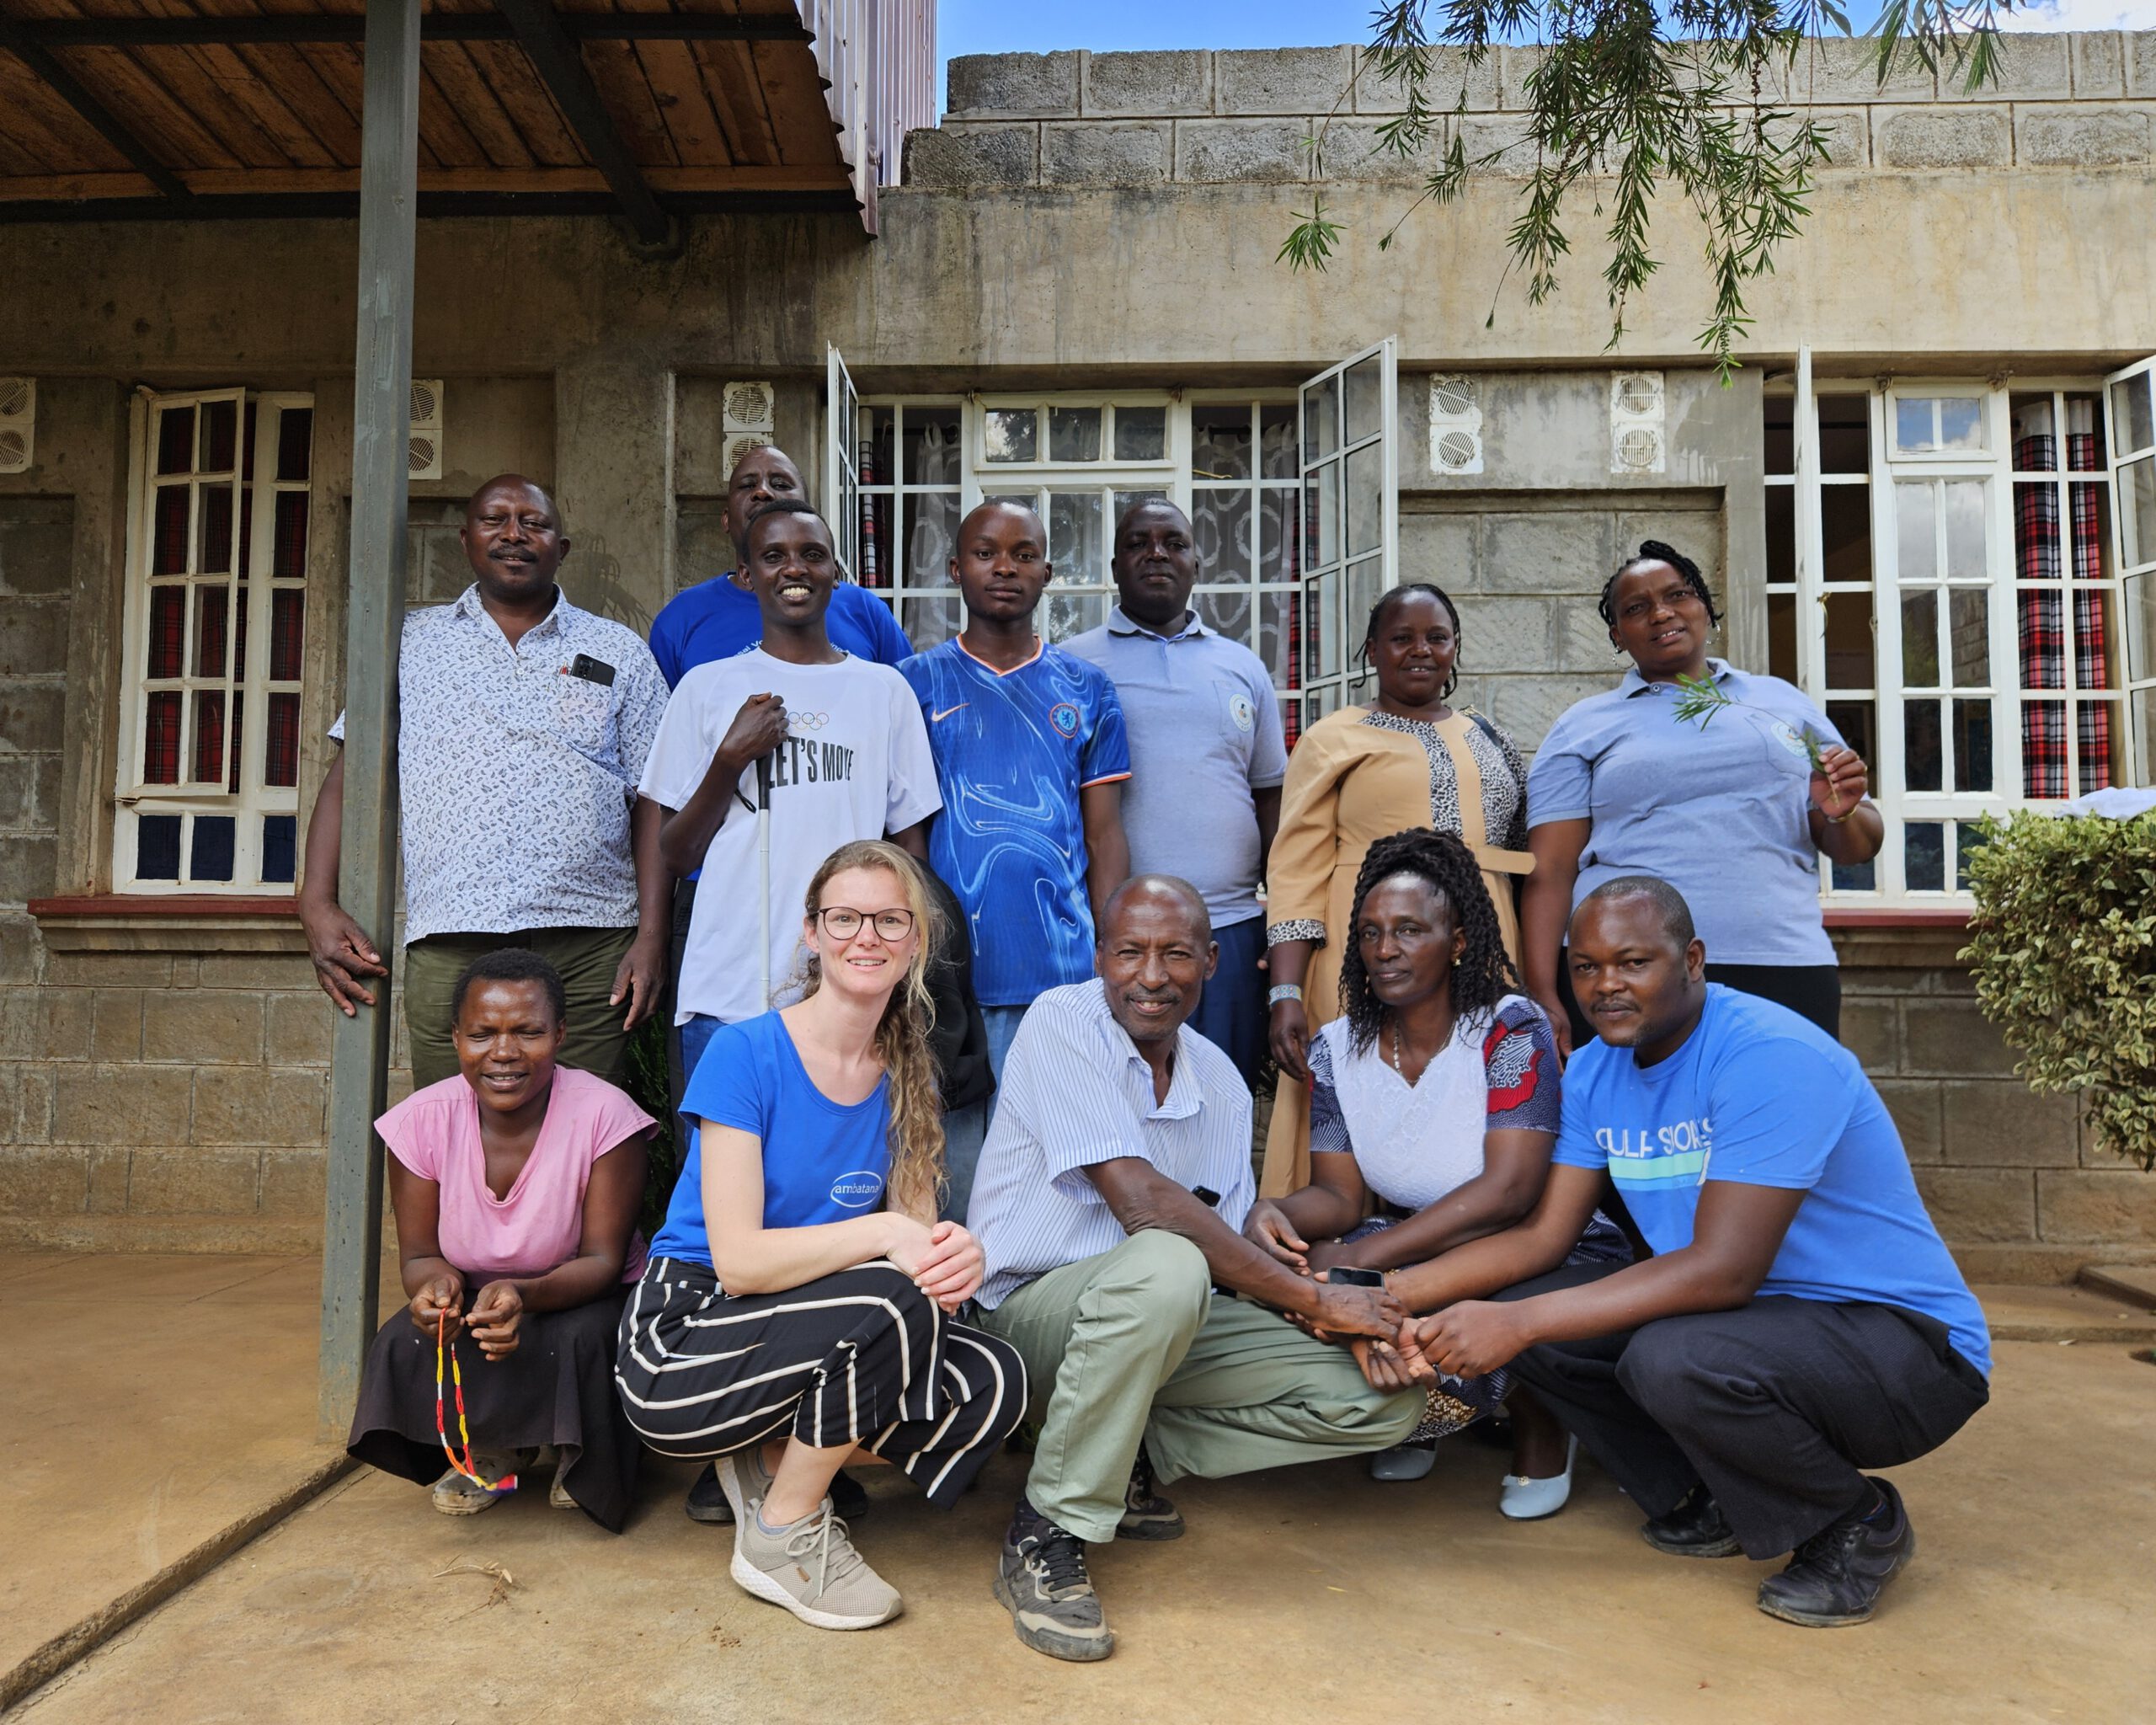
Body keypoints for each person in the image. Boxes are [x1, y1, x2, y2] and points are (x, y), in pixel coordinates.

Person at [1382, 877, 1990, 1629]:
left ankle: (1856, 1522)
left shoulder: (1769, 1056)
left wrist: (1521, 1325)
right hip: (1761, 1328)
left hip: (1904, 1348)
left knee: (1665, 1356)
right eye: (1585, 967)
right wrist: (1393, 1294)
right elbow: (1544, 1238)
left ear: (1692, 958)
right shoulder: (1601, 1070)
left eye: (1633, 962)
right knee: (1524, 1313)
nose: (1606, 986)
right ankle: (1723, 1494)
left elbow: (1723, 1270)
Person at [966, 875, 1422, 1664]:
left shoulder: (1216, 1075)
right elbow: (1146, 1204)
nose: (1151, 975)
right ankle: (1048, 1531)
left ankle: (1123, 1448)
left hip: (1159, 1321)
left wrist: (1322, 1320)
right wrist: (1314, 1296)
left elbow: (1227, 1246)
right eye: (1130, 952)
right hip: (1025, 1326)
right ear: (1099, 958)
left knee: (1380, 1404)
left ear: (1212, 962)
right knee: (1168, 1261)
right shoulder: (1060, 1024)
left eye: (1176, 953)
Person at [614, 841, 1026, 1632]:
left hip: (819, 1325)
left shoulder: (913, 1074)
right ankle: (781, 1530)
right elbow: (737, 1262)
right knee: (894, 1288)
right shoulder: (746, 1052)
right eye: (844, 918)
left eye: (889, 921)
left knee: (993, 1379)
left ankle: (769, 1457)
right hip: (687, 1344)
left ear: (916, 943)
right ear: (811, 932)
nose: (865, 937)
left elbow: (911, 1243)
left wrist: (952, 1253)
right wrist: (893, 1238)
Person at [1241, 830, 1629, 1502]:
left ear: (1457, 941)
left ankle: (1542, 1428)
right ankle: (1421, 1422)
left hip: (1537, 1244)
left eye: (1409, 930)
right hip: (1418, 1236)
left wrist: (1371, 1270)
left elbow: (1510, 1192)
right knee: (1297, 1270)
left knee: (1393, 1289)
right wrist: (1274, 1214)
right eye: (1369, 932)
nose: (1384, 950)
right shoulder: (1337, 1050)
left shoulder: (1511, 1028)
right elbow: (1338, 1195)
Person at [298, 474, 671, 1090]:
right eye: (496, 519)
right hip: (453, 937)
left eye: (534, 522)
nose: (515, 534)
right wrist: (315, 900)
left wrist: (652, 936)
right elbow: (353, 775)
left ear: (562, 547)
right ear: (466, 539)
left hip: (593, 941)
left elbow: (655, 798)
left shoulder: (618, 650)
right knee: (453, 1133)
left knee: (590, 1134)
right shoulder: (408, 644)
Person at [1521, 540, 1881, 1056]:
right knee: (1636, 1135)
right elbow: (1551, 871)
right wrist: (1542, 992)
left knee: (1779, 1126)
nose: (1662, 613)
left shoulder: (1781, 704)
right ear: (1617, 635)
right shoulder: (1583, 727)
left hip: (1781, 958)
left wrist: (1842, 813)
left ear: (1706, 608)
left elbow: (1855, 844)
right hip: (1629, 976)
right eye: (1637, 608)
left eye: (1678, 595)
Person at [347, 948, 653, 1530]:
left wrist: (521, 1293)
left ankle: (580, 1455)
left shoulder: (607, 1117)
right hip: (484, 1294)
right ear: (457, 1038)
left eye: (529, 1032)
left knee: (582, 1337)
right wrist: (435, 1290)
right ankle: (494, 1451)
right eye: (484, 1034)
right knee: (412, 1337)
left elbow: (603, 1261)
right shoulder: (420, 1122)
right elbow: (418, 1255)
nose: (505, 1053)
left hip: (584, 1295)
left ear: (560, 1034)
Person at [647, 444, 914, 1106]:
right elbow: (676, 852)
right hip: (728, 985)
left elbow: (912, 850)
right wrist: (730, 758)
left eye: (812, 555)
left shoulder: (883, 691)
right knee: (717, 1190)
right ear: (747, 571)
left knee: (837, 1186)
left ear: (834, 571)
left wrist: (903, 964)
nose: (794, 568)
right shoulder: (707, 689)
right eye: (773, 556)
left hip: (849, 984)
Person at [1262, 582, 1530, 1197]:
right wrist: (1285, 989)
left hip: (1481, 943)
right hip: (1365, 950)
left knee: (1472, 1084)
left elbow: (1522, 857)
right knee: (1353, 1087)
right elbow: (1295, 869)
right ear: (1372, 650)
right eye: (1401, 638)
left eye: (1436, 637)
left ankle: (1463, 1246)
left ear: (1455, 647)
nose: (1420, 650)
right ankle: (1321, 1249)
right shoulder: (1334, 737)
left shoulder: (1492, 737)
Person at [899, 499, 1132, 1203]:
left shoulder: (1087, 689)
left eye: (1023, 553)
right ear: (954, 569)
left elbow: (1105, 834)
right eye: (986, 552)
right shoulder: (912, 683)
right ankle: (956, 1309)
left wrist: (1109, 948)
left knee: (1047, 1176)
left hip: (1057, 974)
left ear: (1048, 572)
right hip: (947, 978)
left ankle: (1030, 1306)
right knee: (954, 1174)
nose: (1005, 566)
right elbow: (903, 838)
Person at [1065, 499, 1286, 1087]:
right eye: (1139, 542)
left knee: (1223, 1095)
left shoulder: (1241, 666)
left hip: (1230, 927)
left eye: (1174, 543)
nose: (1157, 553)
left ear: (1196, 563)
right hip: (1120, 935)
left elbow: (1270, 797)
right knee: (1125, 1100)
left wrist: (1284, 918)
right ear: (1116, 563)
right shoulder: (1072, 665)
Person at [648, 443, 913, 686]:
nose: (762, 492)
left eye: (780, 483)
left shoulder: (865, 610)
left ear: (805, 511)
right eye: (747, 485)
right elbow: (664, 731)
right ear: (726, 520)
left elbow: (905, 707)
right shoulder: (681, 618)